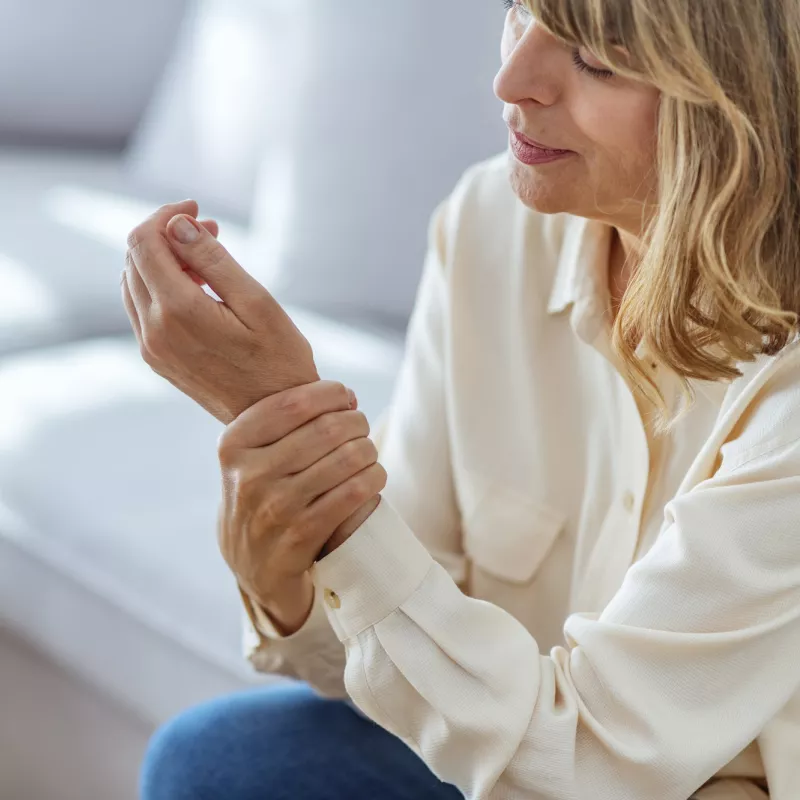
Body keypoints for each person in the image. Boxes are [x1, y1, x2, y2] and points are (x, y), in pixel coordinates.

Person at [126, 0, 800, 798]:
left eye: (599, 59)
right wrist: (290, 524)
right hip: (531, 750)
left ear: (745, 98)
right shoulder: (490, 224)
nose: (511, 80)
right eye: (522, 11)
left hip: (596, 768)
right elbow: (398, 649)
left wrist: (305, 444)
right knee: (219, 762)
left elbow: (587, 764)